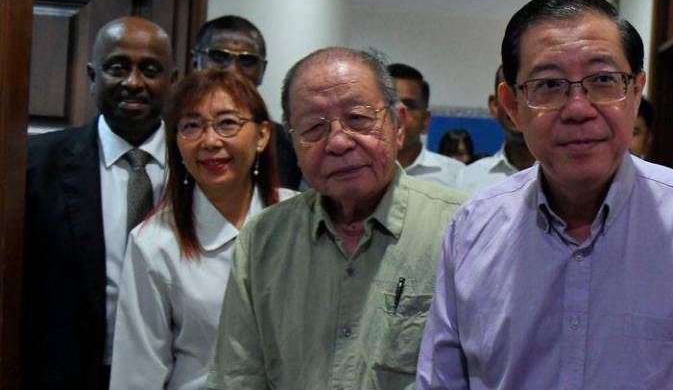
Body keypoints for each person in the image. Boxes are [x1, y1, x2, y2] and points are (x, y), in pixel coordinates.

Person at [417, 0, 673, 389]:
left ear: (636, 92)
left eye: (603, 80)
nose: (579, 109)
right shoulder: (471, 229)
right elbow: (442, 380)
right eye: (549, 84)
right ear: (512, 107)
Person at [206, 48, 466, 389]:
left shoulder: (460, 228)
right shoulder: (264, 238)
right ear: (294, 143)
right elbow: (237, 378)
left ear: (399, 125)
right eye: (314, 127)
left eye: (358, 118)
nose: (339, 142)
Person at [110, 70, 295, 389]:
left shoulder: (301, 219)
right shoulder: (154, 242)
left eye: (227, 123)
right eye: (191, 126)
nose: (210, 141)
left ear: (262, 135)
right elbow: (136, 374)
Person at [23, 17, 177, 389]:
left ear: (171, 81)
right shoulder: (36, 162)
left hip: (172, 375)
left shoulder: (201, 166)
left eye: (150, 70)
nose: (133, 83)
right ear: (92, 76)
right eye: (117, 68)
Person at [192, 15, 302, 190]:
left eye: (247, 61)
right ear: (195, 62)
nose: (233, 71)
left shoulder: (288, 144)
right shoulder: (171, 131)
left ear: (262, 71)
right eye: (220, 57)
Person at [455, 64, 535, 193]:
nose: (517, 103)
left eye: (527, 91)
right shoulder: (468, 178)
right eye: (509, 93)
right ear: (494, 106)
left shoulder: (566, 176)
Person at [387, 63, 464, 187]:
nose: (398, 113)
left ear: (425, 120)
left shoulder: (457, 176)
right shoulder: (357, 171)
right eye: (390, 104)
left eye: (409, 106)